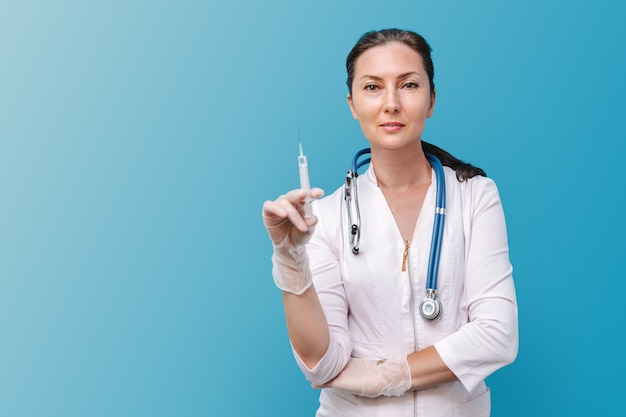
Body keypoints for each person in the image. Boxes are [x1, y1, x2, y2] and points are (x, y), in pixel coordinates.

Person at [261, 28, 518, 417]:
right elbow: (322, 364)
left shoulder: (474, 196)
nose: (391, 104)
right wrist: (291, 261)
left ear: (431, 100)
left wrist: (386, 376)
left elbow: (498, 336)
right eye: (372, 87)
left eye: (409, 85)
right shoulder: (325, 218)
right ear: (352, 103)